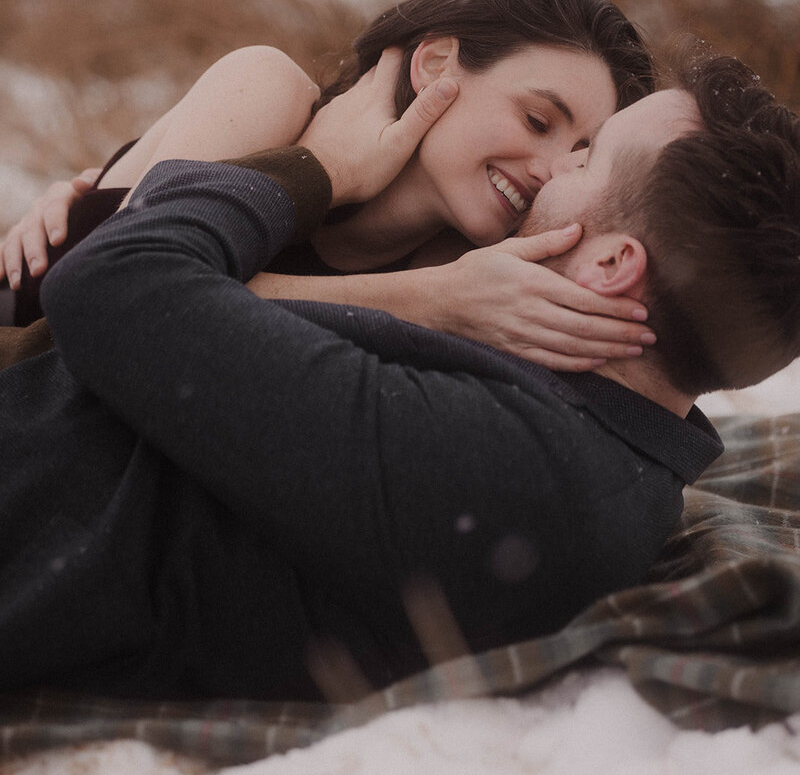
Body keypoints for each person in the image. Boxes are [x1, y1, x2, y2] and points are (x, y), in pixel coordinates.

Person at [2, 46, 798, 701]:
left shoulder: (504, 468)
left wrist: (322, 165)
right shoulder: (582, 426)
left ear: (613, 265)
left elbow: (110, 281)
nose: (555, 166)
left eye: (588, 157)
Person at [0, 0, 659, 372]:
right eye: (538, 121)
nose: (550, 169)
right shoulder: (269, 94)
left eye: (580, 151)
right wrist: (427, 304)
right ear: (436, 65)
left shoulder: (473, 277)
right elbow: (111, 313)